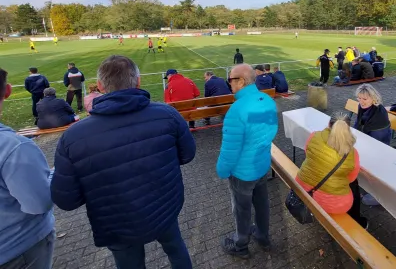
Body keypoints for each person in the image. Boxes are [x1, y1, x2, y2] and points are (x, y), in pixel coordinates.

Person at [51, 56, 196, 268]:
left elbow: (67, 200)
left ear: (100, 86)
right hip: (163, 208)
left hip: (117, 221)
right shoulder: (167, 114)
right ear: (138, 81)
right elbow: (187, 155)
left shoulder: (73, 137)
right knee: (176, 248)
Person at [217, 64, 278, 258]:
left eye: (231, 80)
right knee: (261, 203)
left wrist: (222, 170)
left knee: (242, 210)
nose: (229, 83)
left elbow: (230, 149)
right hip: (261, 165)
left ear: (241, 81)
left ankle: (240, 245)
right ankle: (263, 236)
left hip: (243, 172)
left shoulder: (236, 110)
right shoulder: (267, 100)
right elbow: (270, 132)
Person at [0, 68, 56, 269]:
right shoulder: (15, 147)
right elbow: (41, 202)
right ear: (7, 90)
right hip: (18, 249)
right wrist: (54, 173)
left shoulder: (14, 147)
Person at [296, 113, 367, 228]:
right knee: (354, 184)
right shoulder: (353, 153)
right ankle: (356, 219)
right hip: (333, 204)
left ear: (329, 124)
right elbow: (351, 178)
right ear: (348, 129)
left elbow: (307, 152)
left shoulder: (314, 135)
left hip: (302, 186)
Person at [353, 84, 391, 206]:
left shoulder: (379, 114)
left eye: (364, 99)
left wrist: (357, 143)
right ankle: (354, 181)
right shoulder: (362, 106)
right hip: (366, 139)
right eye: (359, 98)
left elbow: (376, 142)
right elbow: (358, 123)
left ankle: (377, 193)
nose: (361, 102)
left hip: (379, 145)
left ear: (373, 98)